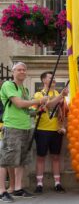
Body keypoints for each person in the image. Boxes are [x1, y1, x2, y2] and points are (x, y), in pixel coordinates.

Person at [0, 62, 48, 202]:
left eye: (24, 70)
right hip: (12, 127)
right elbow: (19, 103)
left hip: (25, 127)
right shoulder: (8, 85)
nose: (22, 71)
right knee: (5, 160)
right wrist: (39, 101)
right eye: (19, 69)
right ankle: (2, 191)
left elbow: (27, 109)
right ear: (13, 72)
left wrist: (37, 110)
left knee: (21, 160)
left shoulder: (24, 89)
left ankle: (18, 189)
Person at [33, 71, 69, 194]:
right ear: (43, 80)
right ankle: (39, 184)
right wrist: (61, 96)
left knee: (56, 157)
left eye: (54, 77)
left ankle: (57, 183)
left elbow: (64, 112)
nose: (53, 79)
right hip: (42, 130)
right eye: (50, 77)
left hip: (56, 130)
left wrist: (63, 126)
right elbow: (48, 105)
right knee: (40, 157)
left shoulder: (58, 93)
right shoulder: (39, 94)